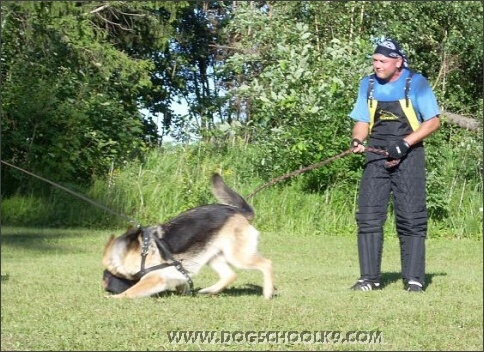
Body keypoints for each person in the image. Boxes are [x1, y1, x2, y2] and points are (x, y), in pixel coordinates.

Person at [348, 38, 440, 292]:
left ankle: (414, 279)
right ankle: (369, 279)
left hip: (409, 156)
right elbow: (361, 120)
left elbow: (432, 122)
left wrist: (406, 142)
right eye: (375, 60)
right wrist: (358, 139)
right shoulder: (367, 85)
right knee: (368, 217)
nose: (377, 65)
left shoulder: (416, 83)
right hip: (376, 154)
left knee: (411, 218)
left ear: (398, 62)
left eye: (383, 61)